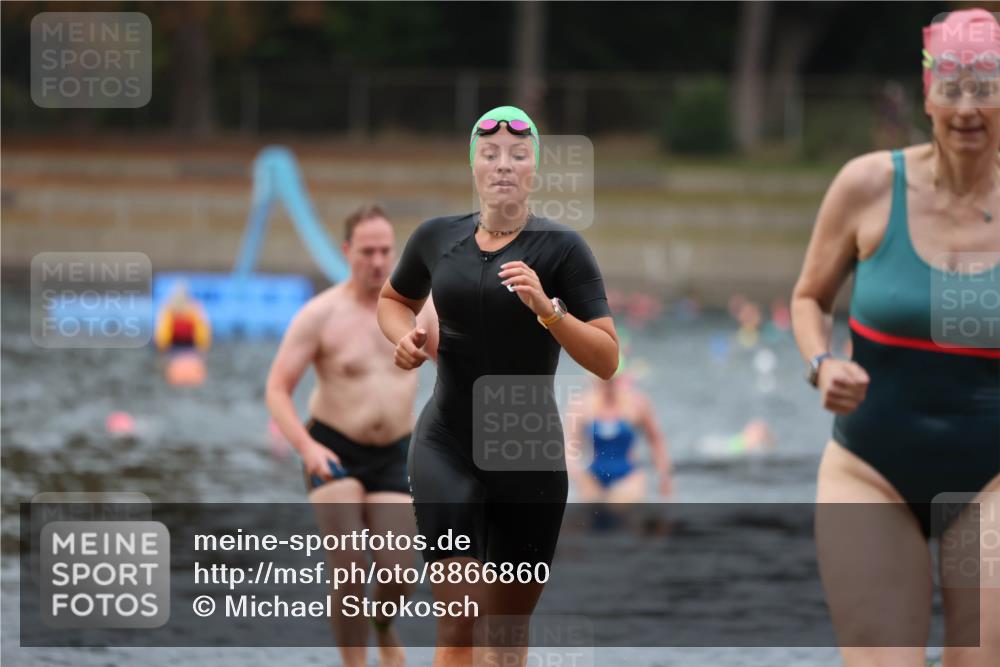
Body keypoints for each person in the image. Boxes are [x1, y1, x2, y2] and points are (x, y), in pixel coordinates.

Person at [791, 9, 999, 665]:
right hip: (870, 471)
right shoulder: (868, 185)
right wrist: (821, 363)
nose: (968, 107)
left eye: (986, 85)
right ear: (927, 90)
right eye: (953, 85)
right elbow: (808, 298)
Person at [377, 105, 618, 667]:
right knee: (457, 626)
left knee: (505, 638)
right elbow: (394, 300)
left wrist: (548, 311)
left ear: (535, 169)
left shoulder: (563, 251)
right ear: (474, 166)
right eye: (490, 154)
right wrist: (406, 339)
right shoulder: (437, 238)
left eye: (517, 154)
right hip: (446, 444)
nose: (503, 165)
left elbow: (607, 358)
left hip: (526, 451)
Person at [266, 203, 439, 667]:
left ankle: (383, 624)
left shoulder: (420, 311)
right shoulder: (320, 314)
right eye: (367, 251)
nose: (378, 261)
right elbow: (277, 388)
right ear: (347, 251)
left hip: (394, 453)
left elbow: (461, 369)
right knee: (348, 567)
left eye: (386, 251)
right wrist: (307, 448)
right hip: (332, 447)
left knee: (399, 572)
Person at [566, 367, 673, 503]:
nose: (608, 384)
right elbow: (570, 447)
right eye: (603, 381)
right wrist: (577, 474)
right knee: (592, 519)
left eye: (612, 380)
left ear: (620, 379)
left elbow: (656, 441)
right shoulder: (582, 405)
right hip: (594, 475)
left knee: (621, 514)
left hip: (628, 475)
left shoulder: (636, 403)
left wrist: (664, 475)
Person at [154, 281, 211, 386]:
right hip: (177, 347)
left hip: (188, 347)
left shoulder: (193, 309)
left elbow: (202, 331)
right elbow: (163, 334)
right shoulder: (169, 310)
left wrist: (202, 349)